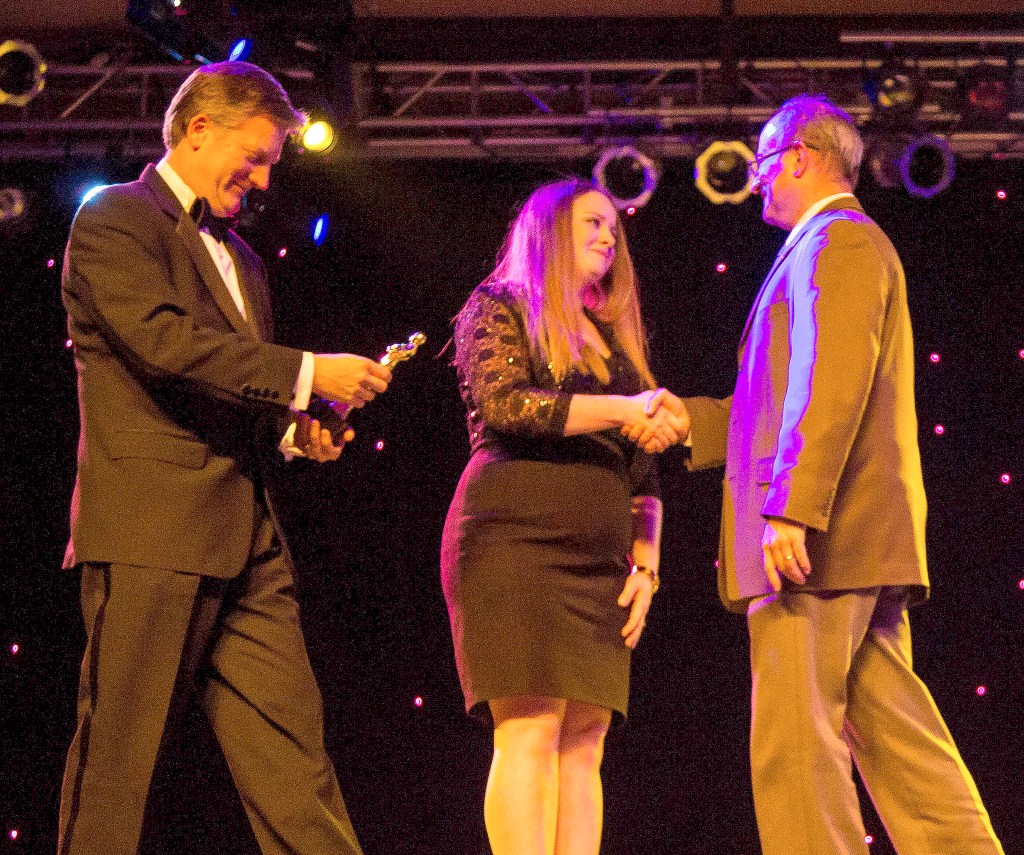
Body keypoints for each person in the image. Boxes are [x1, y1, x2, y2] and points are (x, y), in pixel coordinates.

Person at [635, 94, 1004, 854]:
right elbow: (785, 397)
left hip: (819, 541)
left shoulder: (834, 242)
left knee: (796, 749)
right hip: (852, 539)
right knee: (902, 747)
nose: (758, 180)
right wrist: (695, 422)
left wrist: (793, 507)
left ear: (798, 156)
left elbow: (829, 382)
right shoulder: (836, 245)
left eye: (765, 162)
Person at [57, 61, 392, 855]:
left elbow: (229, 386)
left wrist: (292, 428)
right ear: (198, 130)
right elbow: (165, 346)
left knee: (294, 764)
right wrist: (307, 372)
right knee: (117, 763)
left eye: (275, 159)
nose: (266, 174)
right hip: (151, 534)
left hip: (250, 540)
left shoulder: (243, 260)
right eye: (257, 152)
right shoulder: (114, 220)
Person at [440, 178, 680, 855]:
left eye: (613, 226)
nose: (609, 236)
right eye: (592, 224)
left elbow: (644, 468)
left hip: (601, 563)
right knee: (531, 725)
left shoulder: (610, 338)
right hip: (514, 542)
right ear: (548, 233)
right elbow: (507, 405)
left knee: (585, 739)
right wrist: (625, 412)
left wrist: (647, 556)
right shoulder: (499, 306)